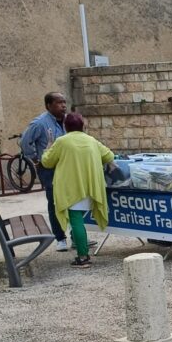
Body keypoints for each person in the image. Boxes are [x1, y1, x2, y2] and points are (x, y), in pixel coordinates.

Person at [40, 112, 114, 267]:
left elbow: (47, 162)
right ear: (83, 126)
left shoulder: (61, 141)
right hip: (91, 186)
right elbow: (109, 155)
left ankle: (83, 257)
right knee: (77, 220)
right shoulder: (91, 140)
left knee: (76, 221)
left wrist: (47, 148)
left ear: (66, 127)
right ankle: (81, 250)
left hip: (72, 188)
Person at [20, 91, 68, 250]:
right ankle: (60, 238)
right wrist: (35, 160)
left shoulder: (68, 121)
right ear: (49, 106)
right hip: (49, 169)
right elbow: (25, 142)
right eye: (59, 103)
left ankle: (77, 236)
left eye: (64, 102)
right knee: (54, 203)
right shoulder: (40, 123)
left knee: (73, 201)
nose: (63, 106)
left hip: (67, 167)